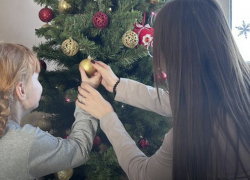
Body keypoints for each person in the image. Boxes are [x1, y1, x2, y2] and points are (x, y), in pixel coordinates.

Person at [76, 0, 250, 179]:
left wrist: (107, 116)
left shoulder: (188, 137)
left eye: (156, 47)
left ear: (176, 56)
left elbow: (143, 173)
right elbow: (171, 101)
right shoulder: (235, 91)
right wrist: (118, 85)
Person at [0, 42, 101, 179]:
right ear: (21, 90)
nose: (39, 82)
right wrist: (87, 94)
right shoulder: (25, 142)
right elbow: (78, 150)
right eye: (36, 78)